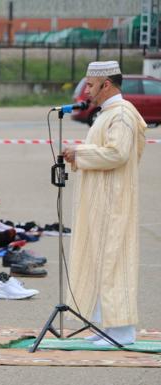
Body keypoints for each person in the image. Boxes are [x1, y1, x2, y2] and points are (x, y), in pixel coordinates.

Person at [63, 61, 147, 346]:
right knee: (101, 262)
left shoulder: (121, 114)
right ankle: (109, 330)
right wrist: (78, 155)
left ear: (106, 84)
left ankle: (123, 333)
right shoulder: (108, 113)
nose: (87, 90)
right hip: (101, 199)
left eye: (90, 84)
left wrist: (80, 152)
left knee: (114, 263)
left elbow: (117, 153)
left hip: (114, 201)